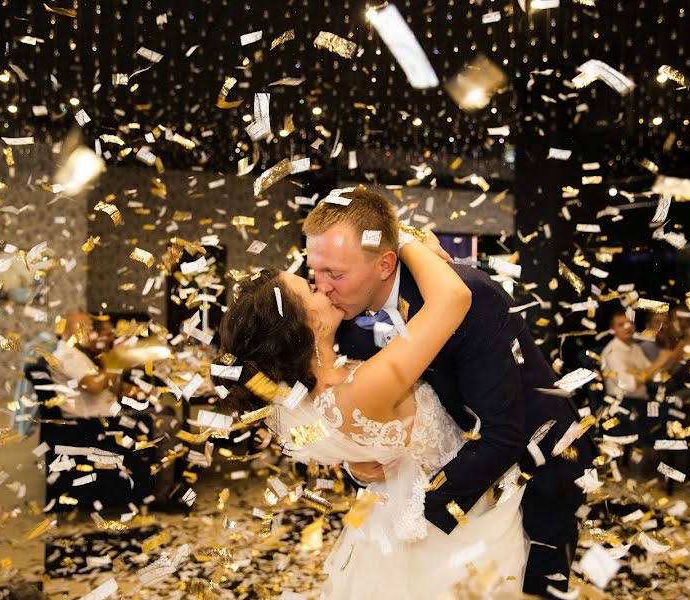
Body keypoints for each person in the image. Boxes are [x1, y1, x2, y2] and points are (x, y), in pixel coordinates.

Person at [302, 186, 595, 596]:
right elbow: (363, 411)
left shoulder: (471, 299)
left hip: (539, 471)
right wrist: (357, 462)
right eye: (315, 270)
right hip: (459, 474)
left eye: (334, 273)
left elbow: (502, 436)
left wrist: (415, 518)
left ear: (386, 264)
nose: (321, 287)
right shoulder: (345, 317)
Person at [214, 231, 529, 596]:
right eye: (310, 289)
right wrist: (402, 236)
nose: (324, 286)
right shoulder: (361, 388)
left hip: (390, 527)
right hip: (454, 529)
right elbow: (452, 298)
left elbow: (344, 440)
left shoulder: (295, 401)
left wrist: (358, 462)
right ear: (304, 326)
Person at [48, 311, 117, 419]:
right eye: (83, 326)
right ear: (66, 331)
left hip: (102, 417)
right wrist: (116, 362)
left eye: (90, 327)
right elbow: (94, 386)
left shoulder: (77, 353)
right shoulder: (67, 355)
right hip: (89, 423)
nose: (90, 332)